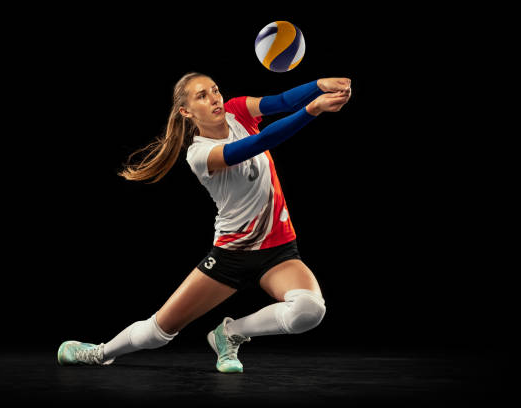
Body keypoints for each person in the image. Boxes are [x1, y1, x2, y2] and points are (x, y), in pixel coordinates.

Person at [57, 72, 352, 373]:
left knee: (309, 310)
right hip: (230, 255)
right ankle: (100, 352)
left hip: (278, 249)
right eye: (202, 96)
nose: (214, 99)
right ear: (186, 111)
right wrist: (312, 110)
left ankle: (230, 333)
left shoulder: (237, 110)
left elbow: (282, 101)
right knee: (158, 332)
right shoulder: (199, 154)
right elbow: (258, 142)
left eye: (215, 90)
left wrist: (319, 86)